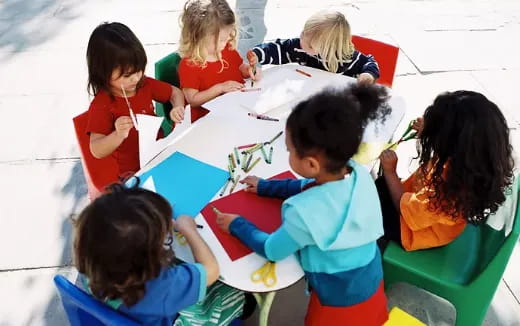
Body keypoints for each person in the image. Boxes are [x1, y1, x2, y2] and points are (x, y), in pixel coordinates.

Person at [215, 84, 391, 325]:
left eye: (289, 150)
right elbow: (307, 185)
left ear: (311, 164)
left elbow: (272, 250)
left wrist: (237, 225)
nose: (287, 153)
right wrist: (266, 187)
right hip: (371, 280)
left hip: (335, 303)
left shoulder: (304, 214)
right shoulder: (356, 173)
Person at [73, 181, 249, 325]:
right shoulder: (161, 286)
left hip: (125, 313)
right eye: (164, 238)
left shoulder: (92, 265)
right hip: (170, 318)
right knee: (234, 294)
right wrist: (189, 231)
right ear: (149, 262)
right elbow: (211, 271)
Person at [378, 90, 514, 251]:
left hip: (412, 231)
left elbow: (405, 210)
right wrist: (430, 132)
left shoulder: (449, 190)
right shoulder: (470, 164)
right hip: (424, 214)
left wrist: (390, 171)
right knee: (377, 186)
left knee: (366, 200)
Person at [86, 22, 185, 176]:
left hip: (159, 152)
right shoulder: (102, 105)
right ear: (103, 72)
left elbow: (175, 92)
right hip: (132, 172)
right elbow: (96, 150)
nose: (135, 78)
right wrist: (117, 134)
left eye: (139, 70)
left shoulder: (144, 84)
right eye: (127, 75)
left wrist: (177, 107)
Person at [177, 0, 261, 121]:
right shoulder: (189, 64)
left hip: (237, 109)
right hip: (210, 120)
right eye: (221, 40)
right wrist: (220, 88)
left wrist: (250, 70)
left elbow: (240, 68)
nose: (225, 43)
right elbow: (193, 100)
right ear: (200, 36)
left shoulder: (227, 49)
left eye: (227, 38)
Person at [247, 10, 379, 84]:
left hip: (338, 104)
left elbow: (369, 62)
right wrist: (258, 54)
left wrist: (367, 75)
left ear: (328, 49)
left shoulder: (346, 57)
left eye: (310, 45)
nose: (302, 41)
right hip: (309, 97)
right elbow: (279, 48)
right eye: (303, 33)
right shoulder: (301, 46)